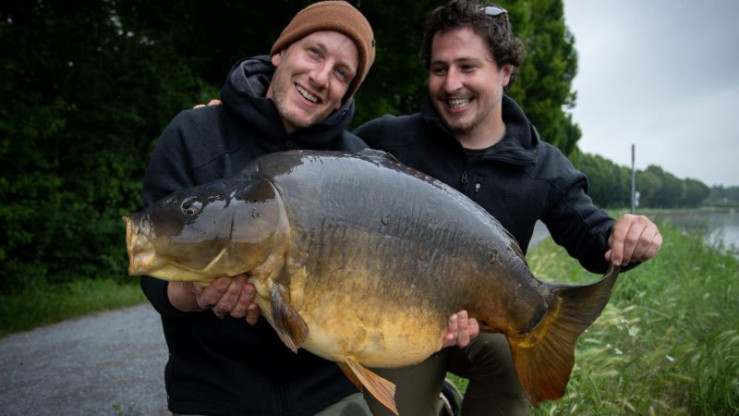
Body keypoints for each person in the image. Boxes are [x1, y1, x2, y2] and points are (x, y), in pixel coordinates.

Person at [353, 1, 663, 415]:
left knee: (516, 358)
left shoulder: (542, 166)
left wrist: (628, 237)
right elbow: (317, 165)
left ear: (505, 71)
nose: (451, 84)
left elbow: (594, 241)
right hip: (396, 317)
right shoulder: (386, 140)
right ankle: (438, 402)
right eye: (440, 68)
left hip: (485, 322)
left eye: (467, 67)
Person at [140, 2, 379, 415]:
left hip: (328, 392)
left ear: (347, 94)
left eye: (342, 73)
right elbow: (151, 262)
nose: (321, 77)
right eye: (314, 53)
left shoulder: (356, 166)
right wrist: (195, 293)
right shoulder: (194, 133)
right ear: (280, 52)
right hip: (216, 393)